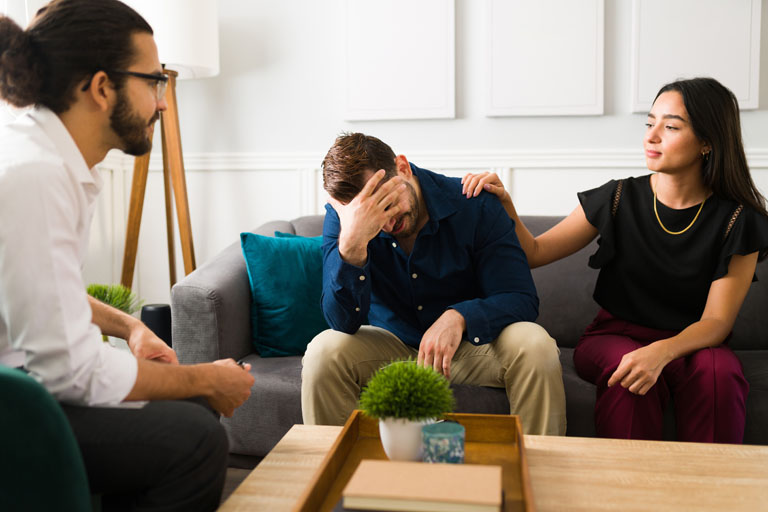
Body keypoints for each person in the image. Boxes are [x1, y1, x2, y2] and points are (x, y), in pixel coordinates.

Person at [0, 1, 255, 509]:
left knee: (194, 409)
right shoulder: (35, 175)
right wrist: (207, 376)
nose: (163, 104)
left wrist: (130, 327)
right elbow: (68, 370)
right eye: (154, 81)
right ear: (101, 88)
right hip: (15, 401)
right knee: (197, 439)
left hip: (25, 380)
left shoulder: (54, 161)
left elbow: (47, 294)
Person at [462, 77, 768, 443]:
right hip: (615, 336)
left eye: (670, 127)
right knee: (629, 374)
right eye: (650, 123)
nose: (651, 136)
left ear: (707, 142)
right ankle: (626, 479)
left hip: (695, 342)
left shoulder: (739, 220)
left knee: (719, 374)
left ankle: (711, 480)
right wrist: (506, 205)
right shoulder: (618, 197)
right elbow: (534, 253)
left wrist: (661, 352)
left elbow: (717, 322)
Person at [301, 133, 566, 435]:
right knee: (323, 352)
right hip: (390, 347)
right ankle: (337, 465)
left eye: (387, 204)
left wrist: (460, 317)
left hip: (470, 349)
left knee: (535, 344)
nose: (386, 225)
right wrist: (352, 245)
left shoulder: (475, 203)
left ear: (403, 168)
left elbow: (520, 298)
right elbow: (341, 322)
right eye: (371, 216)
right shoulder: (344, 221)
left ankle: (537, 461)